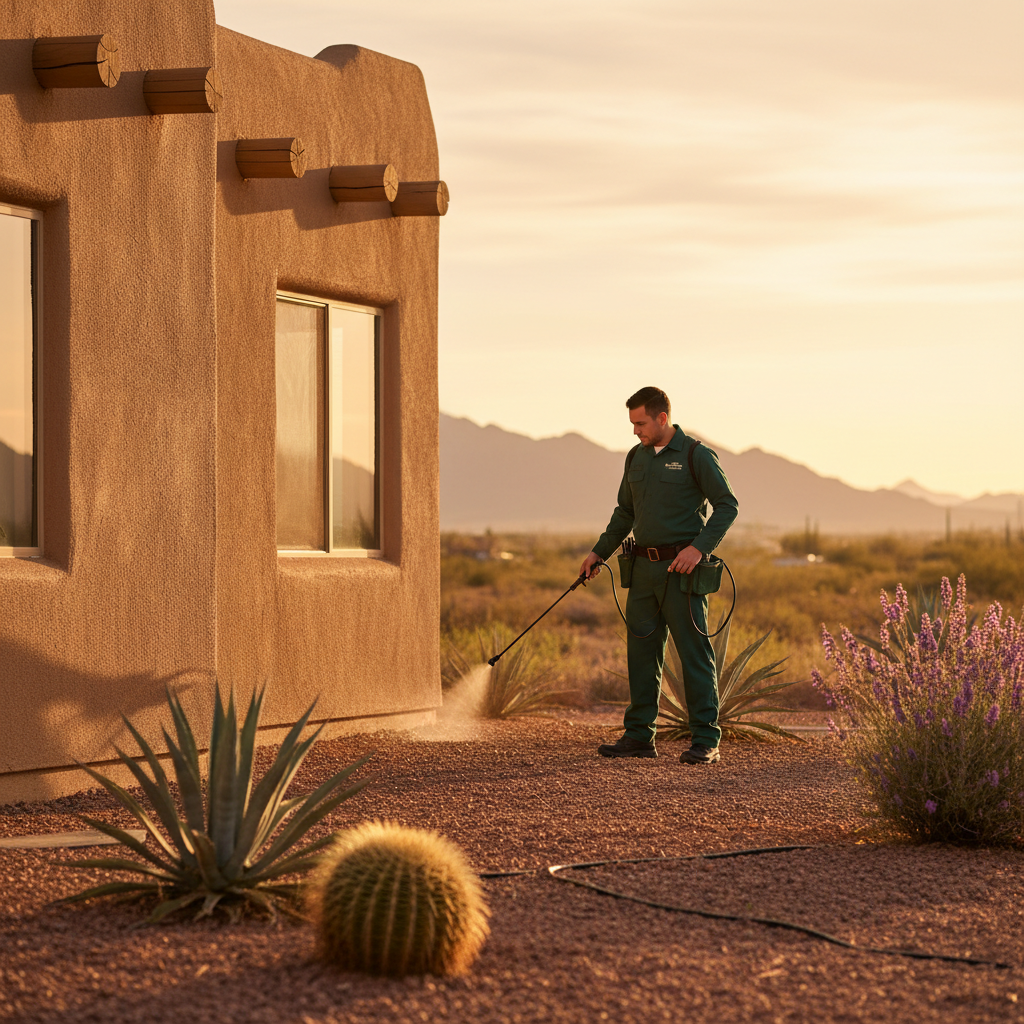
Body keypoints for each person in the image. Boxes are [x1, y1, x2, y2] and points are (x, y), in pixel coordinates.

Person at [580, 386, 739, 764]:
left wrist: (698, 548)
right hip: (642, 571)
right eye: (633, 423)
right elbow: (624, 513)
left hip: (681, 572)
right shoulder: (636, 457)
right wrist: (598, 552)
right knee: (641, 653)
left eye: (641, 422)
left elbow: (727, 506)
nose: (635, 430)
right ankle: (638, 736)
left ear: (662, 418)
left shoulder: (696, 455)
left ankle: (705, 740)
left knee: (694, 655)